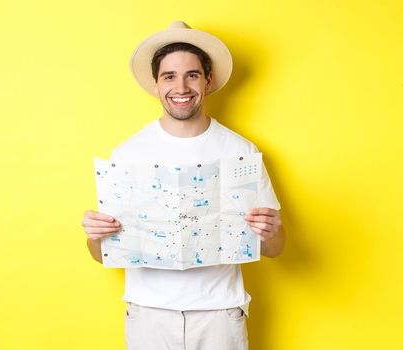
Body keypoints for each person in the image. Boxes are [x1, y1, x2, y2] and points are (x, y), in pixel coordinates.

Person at [80, 21, 286, 350]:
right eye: (169, 76)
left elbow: (275, 248)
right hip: (149, 314)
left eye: (192, 74)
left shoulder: (239, 151)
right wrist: (95, 236)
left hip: (219, 312)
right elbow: (101, 256)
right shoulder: (128, 153)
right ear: (156, 84)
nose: (181, 87)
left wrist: (270, 230)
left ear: (208, 79)